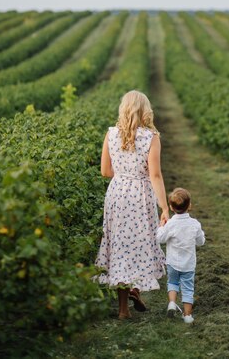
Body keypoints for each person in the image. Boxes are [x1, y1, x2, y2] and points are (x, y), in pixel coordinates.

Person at [95, 89, 169, 320]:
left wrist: (123, 172)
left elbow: (105, 171)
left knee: (119, 245)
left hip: (117, 193)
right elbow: (155, 175)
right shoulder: (151, 137)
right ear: (145, 110)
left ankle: (123, 309)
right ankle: (136, 288)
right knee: (138, 243)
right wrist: (165, 208)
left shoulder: (111, 134)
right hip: (140, 194)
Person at [156, 187, 205, 324]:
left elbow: (160, 239)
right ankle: (187, 315)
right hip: (188, 264)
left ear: (171, 207)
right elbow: (201, 242)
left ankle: (172, 303)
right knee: (188, 288)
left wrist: (161, 226)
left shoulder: (170, 224)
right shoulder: (195, 224)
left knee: (172, 282)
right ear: (189, 206)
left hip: (172, 262)